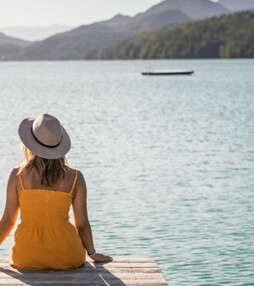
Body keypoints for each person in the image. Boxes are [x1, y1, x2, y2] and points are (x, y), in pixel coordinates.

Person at [0, 113, 112, 270]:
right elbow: (83, 225)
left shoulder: (17, 175)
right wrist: (92, 254)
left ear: (30, 144)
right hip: (68, 256)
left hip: (26, 256)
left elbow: (7, 222)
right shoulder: (75, 177)